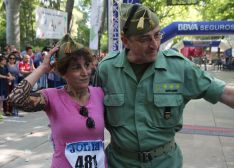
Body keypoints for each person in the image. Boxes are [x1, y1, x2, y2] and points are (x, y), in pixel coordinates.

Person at [94, 4, 234, 168]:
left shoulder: (178, 67)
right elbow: (85, 111)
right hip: (119, 163)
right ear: (126, 41)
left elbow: (225, 93)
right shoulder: (107, 70)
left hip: (165, 163)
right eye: (144, 39)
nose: (154, 44)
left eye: (157, 35)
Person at [8, 34, 106, 168]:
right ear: (63, 73)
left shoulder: (100, 93)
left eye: (87, 65)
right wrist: (42, 68)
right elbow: (15, 99)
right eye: (77, 67)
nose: (85, 72)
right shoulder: (52, 97)